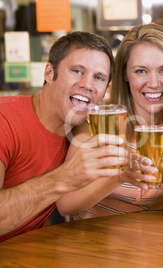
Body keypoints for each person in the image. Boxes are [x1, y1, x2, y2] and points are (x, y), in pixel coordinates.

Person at [56, 23, 163, 219]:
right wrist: (120, 176)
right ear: (125, 74)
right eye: (141, 71)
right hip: (94, 244)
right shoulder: (101, 124)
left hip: (153, 243)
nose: (154, 83)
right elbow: (65, 205)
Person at [0, 31, 124, 242]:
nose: (88, 84)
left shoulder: (83, 131)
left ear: (105, 91)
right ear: (49, 72)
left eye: (99, 77)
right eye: (77, 71)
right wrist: (64, 177)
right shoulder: (5, 119)